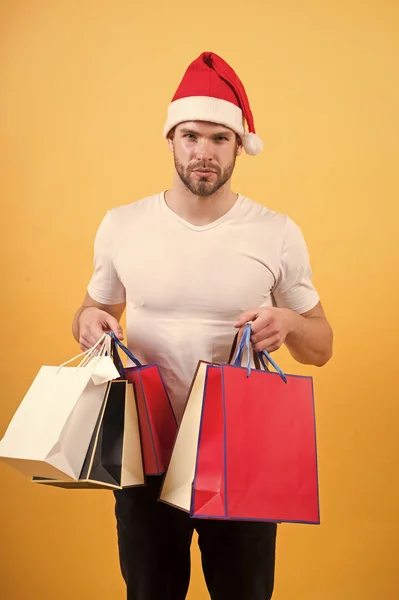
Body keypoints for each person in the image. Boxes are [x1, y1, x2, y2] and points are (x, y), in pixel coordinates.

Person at [72, 51, 333, 600]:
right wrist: (88, 322)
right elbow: (90, 315)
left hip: (240, 455)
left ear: (239, 145)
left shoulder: (276, 232)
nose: (203, 152)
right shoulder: (122, 225)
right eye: (191, 136)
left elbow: (321, 346)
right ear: (171, 139)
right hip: (145, 455)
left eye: (219, 139)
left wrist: (288, 321)